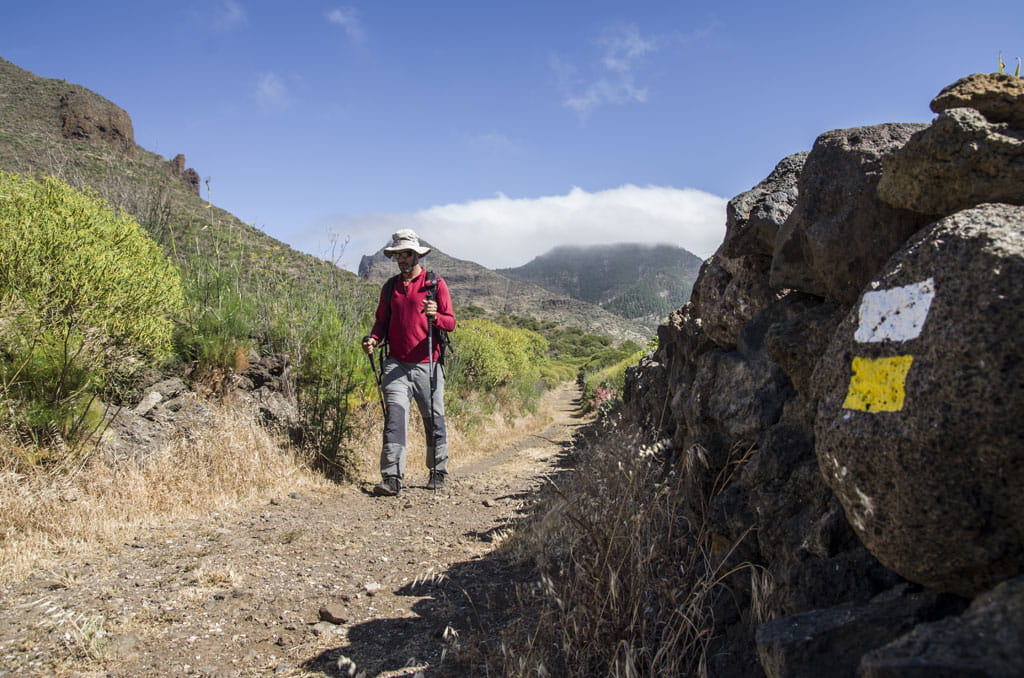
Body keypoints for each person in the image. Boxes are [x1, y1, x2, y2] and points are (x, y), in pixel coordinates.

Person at [362, 229, 456, 496]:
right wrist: (373, 339)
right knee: (394, 418)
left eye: (406, 254)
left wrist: (436, 315)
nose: (402, 259)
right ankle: (391, 477)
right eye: (397, 255)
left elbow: (451, 323)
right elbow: (382, 322)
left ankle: (438, 471)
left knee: (433, 418)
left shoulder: (435, 284)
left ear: (417, 255)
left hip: (429, 363)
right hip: (396, 364)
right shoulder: (390, 287)